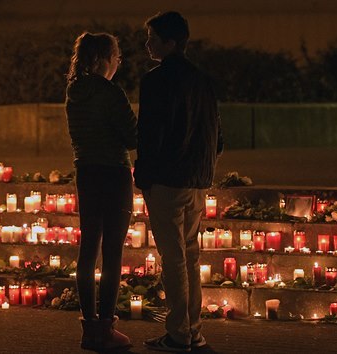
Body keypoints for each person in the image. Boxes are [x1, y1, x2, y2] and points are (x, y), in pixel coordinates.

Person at [134, 11, 223, 353]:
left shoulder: (156, 81)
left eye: (153, 39)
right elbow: (217, 134)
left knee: (173, 260)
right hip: (198, 180)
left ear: (170, 43)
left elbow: (150, 135)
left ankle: (178, 334)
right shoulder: (203, 80)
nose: (147, 45)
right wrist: (206, 167)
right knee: (190, 257)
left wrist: (144, 178)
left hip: (168, 182)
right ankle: (193, 330)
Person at [65, 32, 137, 351]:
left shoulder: (74, 91)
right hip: (114, 173)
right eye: (117, 57)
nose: (117, 64)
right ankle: (106, 327)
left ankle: (88, 326)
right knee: (112, 251)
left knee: (88, 247)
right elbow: (132, 137)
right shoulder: (110, 92)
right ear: (104, 58)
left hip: (87, 172)